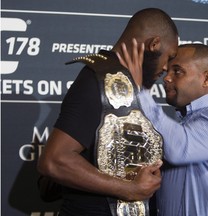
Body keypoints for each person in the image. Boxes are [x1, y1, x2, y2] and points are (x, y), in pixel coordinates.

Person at [37, 8, 178, 216]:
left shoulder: (131, 85)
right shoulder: (97, 80)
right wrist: (129, 189)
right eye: (169, 57)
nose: (167, 67)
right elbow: (55, 160)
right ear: (154, 44)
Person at [118, 43, 208, 216]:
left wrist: (141, 91)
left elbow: (181, 149)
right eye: (167, 71)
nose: (166, 78)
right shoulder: (183, 121)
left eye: (177, 71)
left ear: (207, 78)